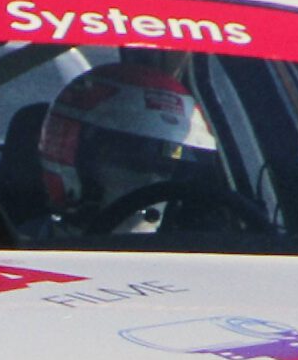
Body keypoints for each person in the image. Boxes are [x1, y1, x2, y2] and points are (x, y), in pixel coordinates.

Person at [33, 56, 228, 234]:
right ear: (70, 155)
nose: (152, 181)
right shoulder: (24, 255)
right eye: (134, 163)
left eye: (165, 167)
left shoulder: (197, 257)